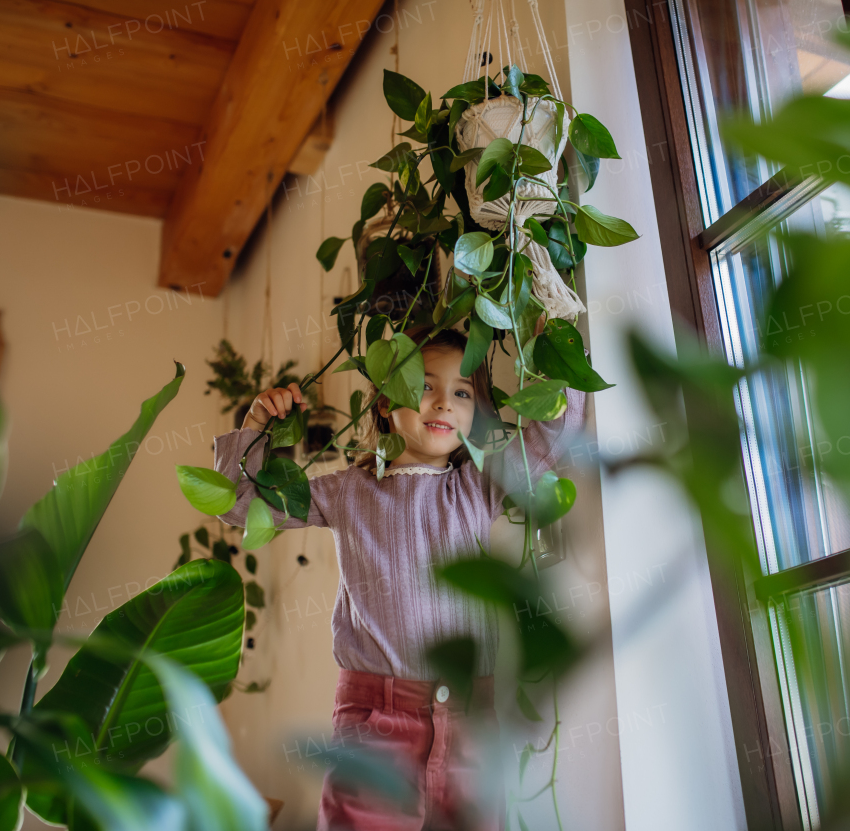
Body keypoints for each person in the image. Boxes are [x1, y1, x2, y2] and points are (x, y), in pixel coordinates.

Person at [212, 322, 586, 831]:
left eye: (462, 393)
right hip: (375, 724)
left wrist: (550, 341)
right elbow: (238, 503)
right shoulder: (346, 492)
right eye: (425, 385)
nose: (442, 403)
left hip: (471, 722)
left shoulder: (478, 487)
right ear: (386, 402)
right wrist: (256, 422)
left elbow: (553, 435)